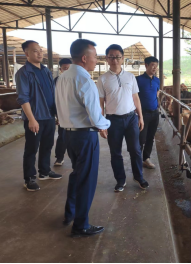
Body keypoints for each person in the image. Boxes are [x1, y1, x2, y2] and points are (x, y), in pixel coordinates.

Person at [56, 39, 111, 237]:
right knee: (87, 179)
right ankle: (81, 225)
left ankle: (69, 213)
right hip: (84, 136)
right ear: (85, 57)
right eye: (95, 56)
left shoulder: (63, 77)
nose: (97, 60)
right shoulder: (85, 80)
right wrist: (107, 124)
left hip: (67, 134)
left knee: (77, 175)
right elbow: (96, 117)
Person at [97, 44, 149, 193]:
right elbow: (101, 103)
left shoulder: (130, 76)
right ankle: (120, 180)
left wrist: (141, 117)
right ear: (107, 59)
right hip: (113, 120)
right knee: (116, 152)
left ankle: (139, 177)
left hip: (131, 118)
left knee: (136, 150)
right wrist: (102, 124)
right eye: (111, 57)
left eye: (118, 57)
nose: (115, 60)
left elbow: (136, 98)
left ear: (122, 58)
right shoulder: (103, 79)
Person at [16, 41, 62, 192]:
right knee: (31, 149)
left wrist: (57, 114)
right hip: (35, 118)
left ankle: (44, 171)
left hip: (48, 116)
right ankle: (29, 178)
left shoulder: (46, 71)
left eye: (40, 50)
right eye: (35, 51)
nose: (40, 53)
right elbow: (23, 98)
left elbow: (53, 93)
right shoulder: (23, 73)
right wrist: (31, 119)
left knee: (47, 145)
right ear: (27, 54)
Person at [136, 57, 160, 169]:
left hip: (155, 113)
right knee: (141, 138)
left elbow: (157, 93)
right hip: (143, 114)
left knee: (151, 137)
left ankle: (146, 159)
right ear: (146, 65)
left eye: (156, 65)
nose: (154, 67)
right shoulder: (138, 80)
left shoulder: (157, 80)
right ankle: (137, 160)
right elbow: (134, 97)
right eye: (152, 65)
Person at [53, 58, 72, 167]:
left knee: (75, 136)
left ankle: (74, 156)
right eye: (65, 68)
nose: (67, 70)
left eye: (69, 68)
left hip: (75, 114)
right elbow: (55, 99)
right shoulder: (57, 81)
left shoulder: (76, 79)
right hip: (62, 113)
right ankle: (59, 157)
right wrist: (58, 115)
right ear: (60, 69)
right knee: (62, 135)